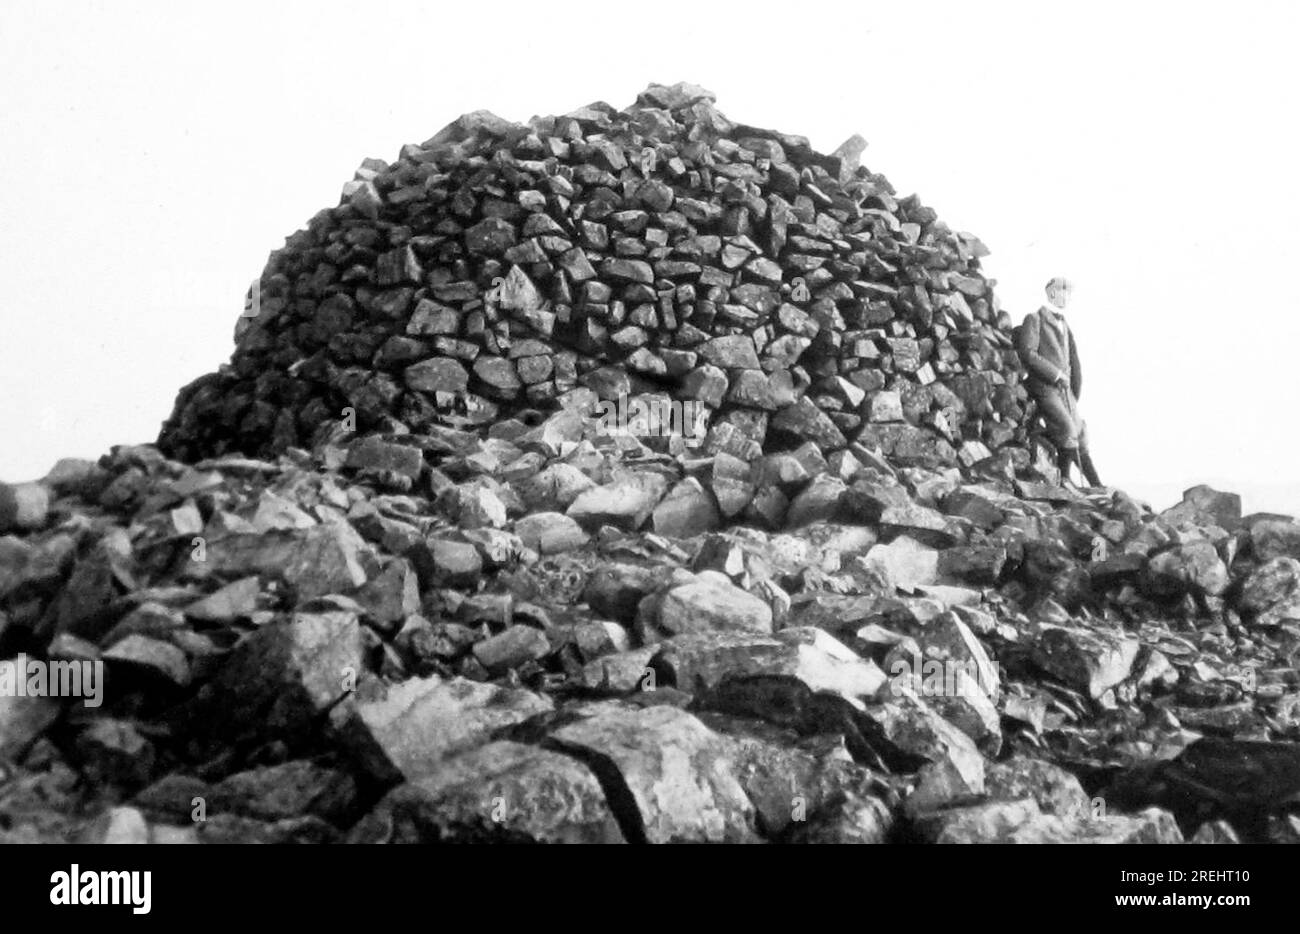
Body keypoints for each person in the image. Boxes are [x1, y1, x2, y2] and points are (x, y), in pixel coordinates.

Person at [1015, 277, 1102, 486]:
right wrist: (1055, 374)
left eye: (1070, 293)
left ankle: (1097, 485)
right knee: (1067, 429)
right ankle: (1064, 480)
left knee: (1080, 434)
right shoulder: (1034, 319)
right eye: (1065, 292)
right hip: (1043, 386)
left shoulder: (1065, 325)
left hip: (1064, 390)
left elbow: (1073, 362)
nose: (1068, 297)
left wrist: (1073, 391)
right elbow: (1028, 353)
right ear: (1053, 293)